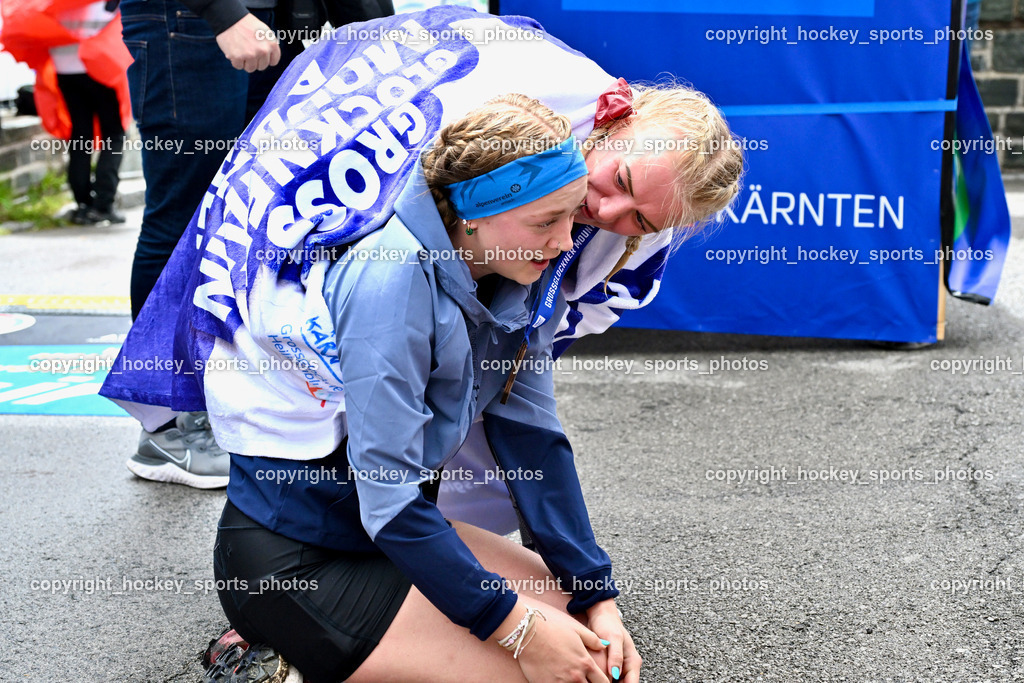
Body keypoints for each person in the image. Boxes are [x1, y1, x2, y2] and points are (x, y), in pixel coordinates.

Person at [203, 94, 637, 683]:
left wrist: (596, 594)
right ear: (476, 212)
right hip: (299, 560)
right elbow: (390, 500)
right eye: (545, 222)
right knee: (557, 671)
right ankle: (274, 648)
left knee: (589, 641)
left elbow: (534, 441)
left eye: (569, 216)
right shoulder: (392, 276)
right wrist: (515, 629)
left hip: (383, 538)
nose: (566, 241)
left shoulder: (521, 265)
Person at [117, 0, 394, 488]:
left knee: (256, 213)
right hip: (189, 22)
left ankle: (241, 403)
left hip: (275, 23)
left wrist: (375, 28)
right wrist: (222, 13)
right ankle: (167, 425)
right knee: (182, 214)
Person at [49, 1, 128, 225]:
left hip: (64, 66)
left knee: (80, 134)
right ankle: (103, 204)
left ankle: (83, 203)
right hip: (99, 65)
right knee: (114, 134)